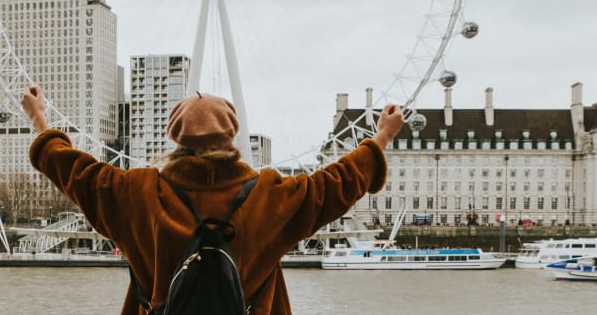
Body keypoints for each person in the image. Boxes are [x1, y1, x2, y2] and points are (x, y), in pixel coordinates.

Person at [23, 86, 404, 315]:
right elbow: (336, 184)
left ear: (177, 138)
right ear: (232, 135)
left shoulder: (134, 193)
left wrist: (41, 120)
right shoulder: (271, 196)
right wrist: (381, 137)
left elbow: (72, 169)